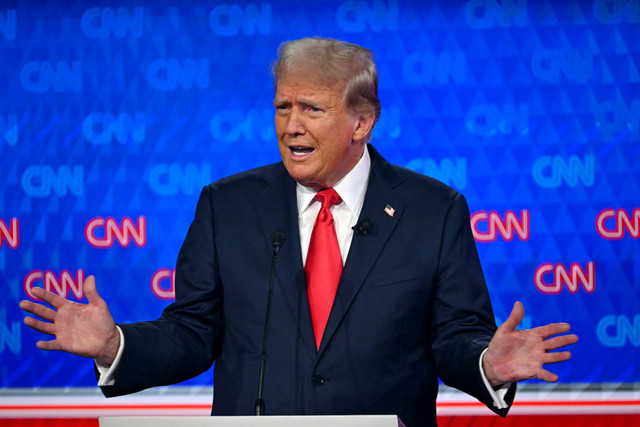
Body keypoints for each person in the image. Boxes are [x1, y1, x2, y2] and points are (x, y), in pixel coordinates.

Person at [20, 37, 578, 427]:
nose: (291, 126)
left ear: (362, 121)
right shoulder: (228, 205)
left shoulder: (434, 210)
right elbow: (193, 333)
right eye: (282, 106)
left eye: (312, 108)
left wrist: (489, 364)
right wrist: (116, 344)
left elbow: (455, 336)